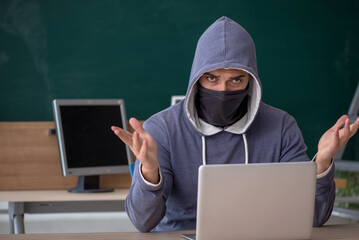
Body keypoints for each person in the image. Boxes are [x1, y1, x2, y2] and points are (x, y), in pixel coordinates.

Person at [111, 16, 359, 232]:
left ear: (251, 81)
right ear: (197, 79)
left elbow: (313, 218)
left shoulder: (282, 127)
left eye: (236, 80)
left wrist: (323, 162)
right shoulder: (162, 129)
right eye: (212, 78)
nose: (223, 90)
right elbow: (143, 222)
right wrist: (150, 172)